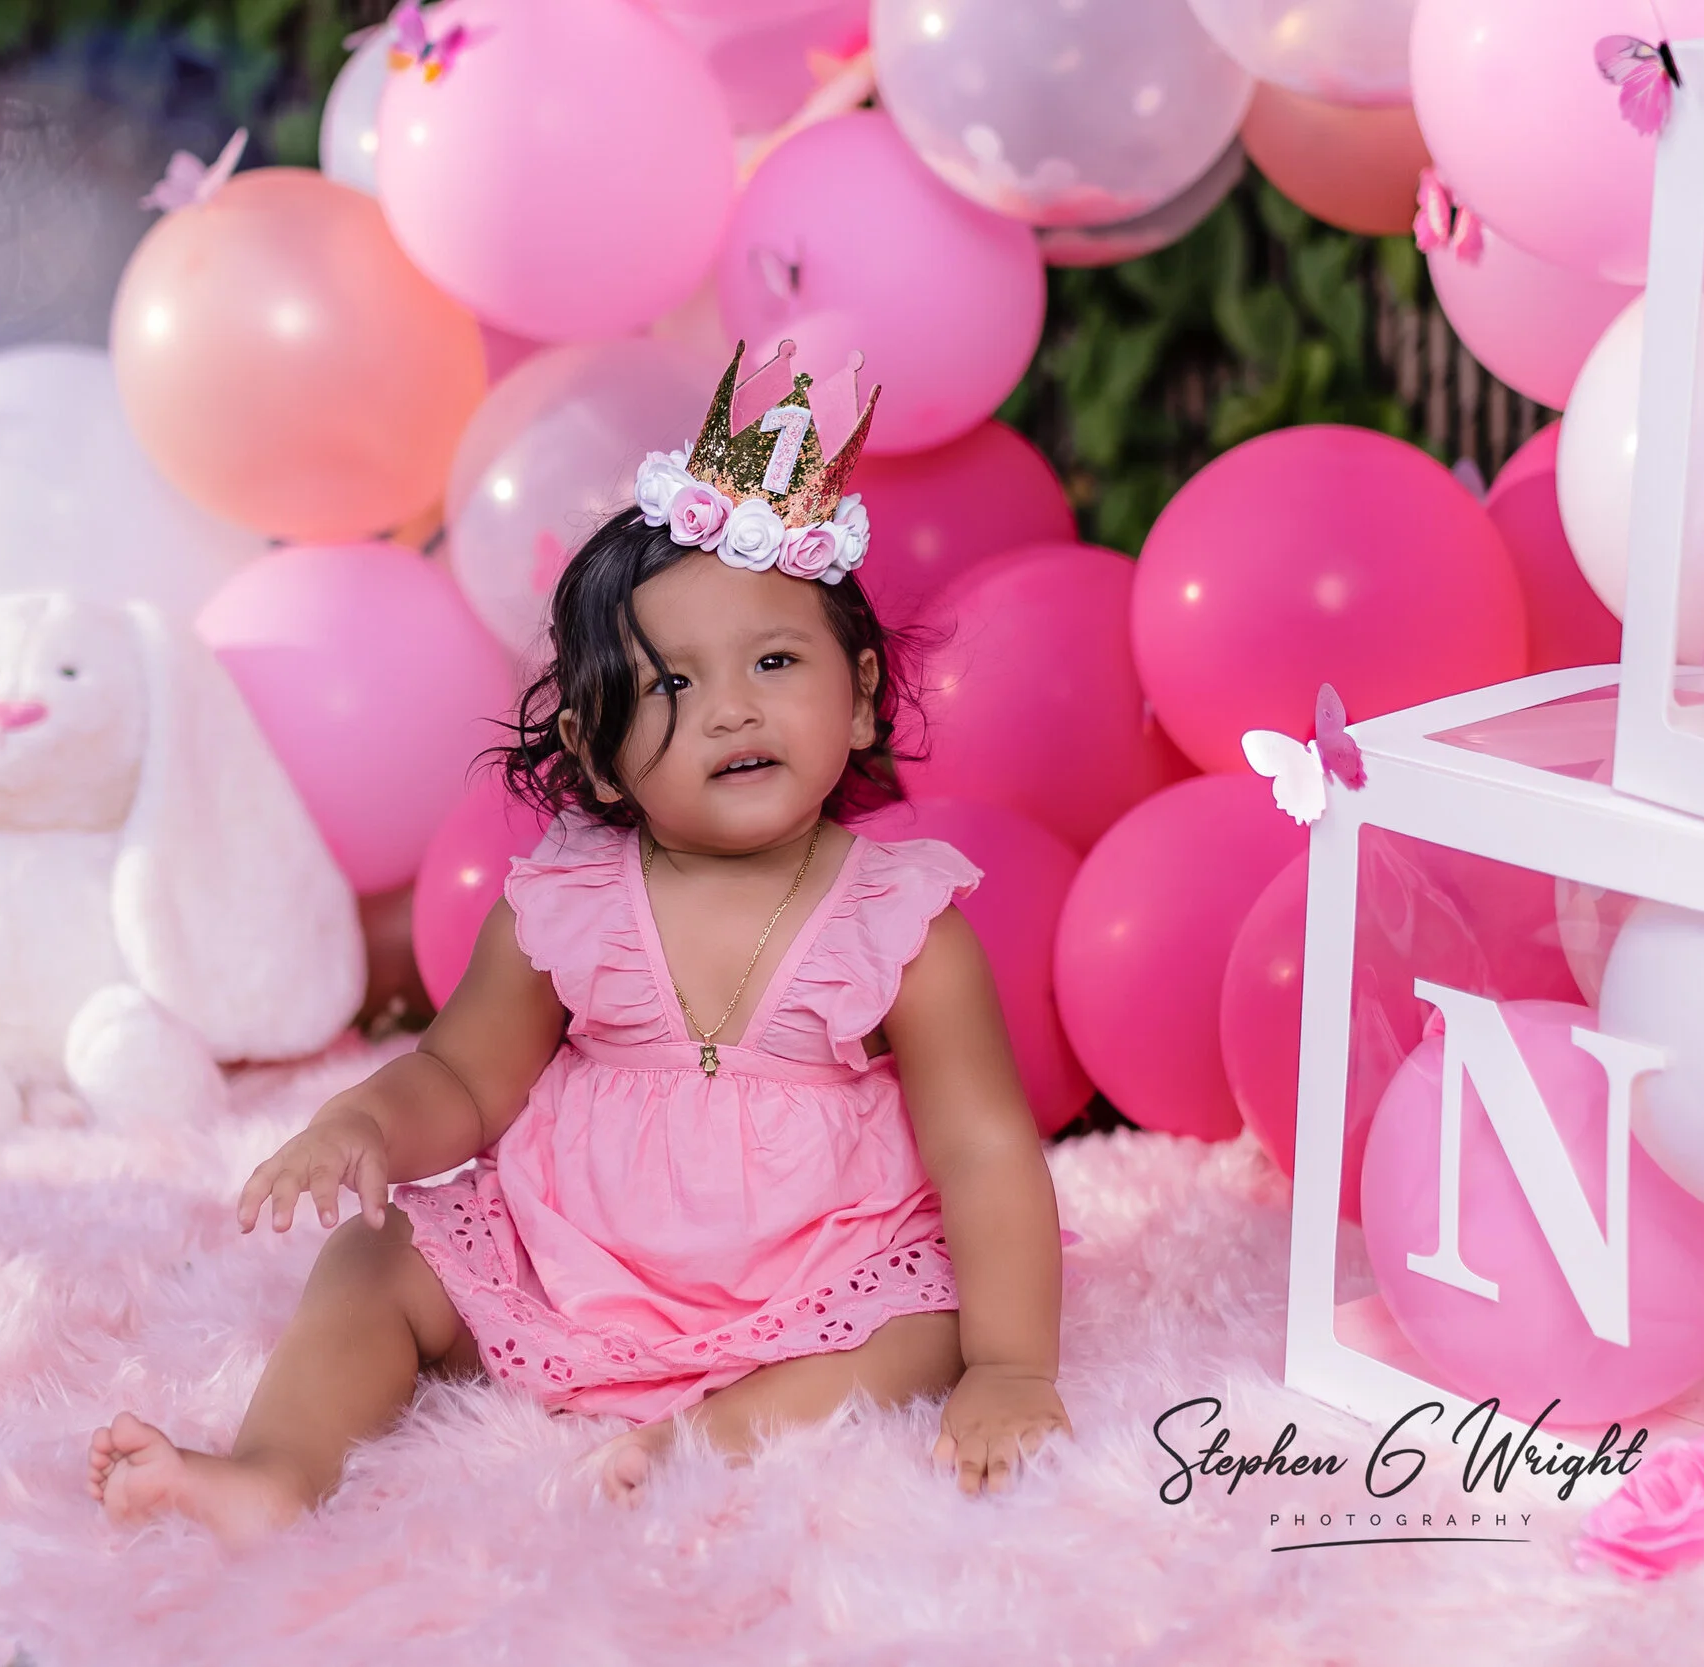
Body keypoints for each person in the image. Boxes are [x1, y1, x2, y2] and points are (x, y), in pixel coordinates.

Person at [86, 342, 1071, 1545]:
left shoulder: (901, 923)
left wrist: (1011, 1365)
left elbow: (981, 1147)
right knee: (376, 1253)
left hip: (813, 1270)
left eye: (774, 660)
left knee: (928, 1319)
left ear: (861, 691)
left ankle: (702, 1437)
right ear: (597, 754)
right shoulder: (567, 901)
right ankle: (276, 1467)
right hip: (573, 1252)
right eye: (669, 687)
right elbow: (462, 1077)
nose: (732, 707)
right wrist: (367, 1123)